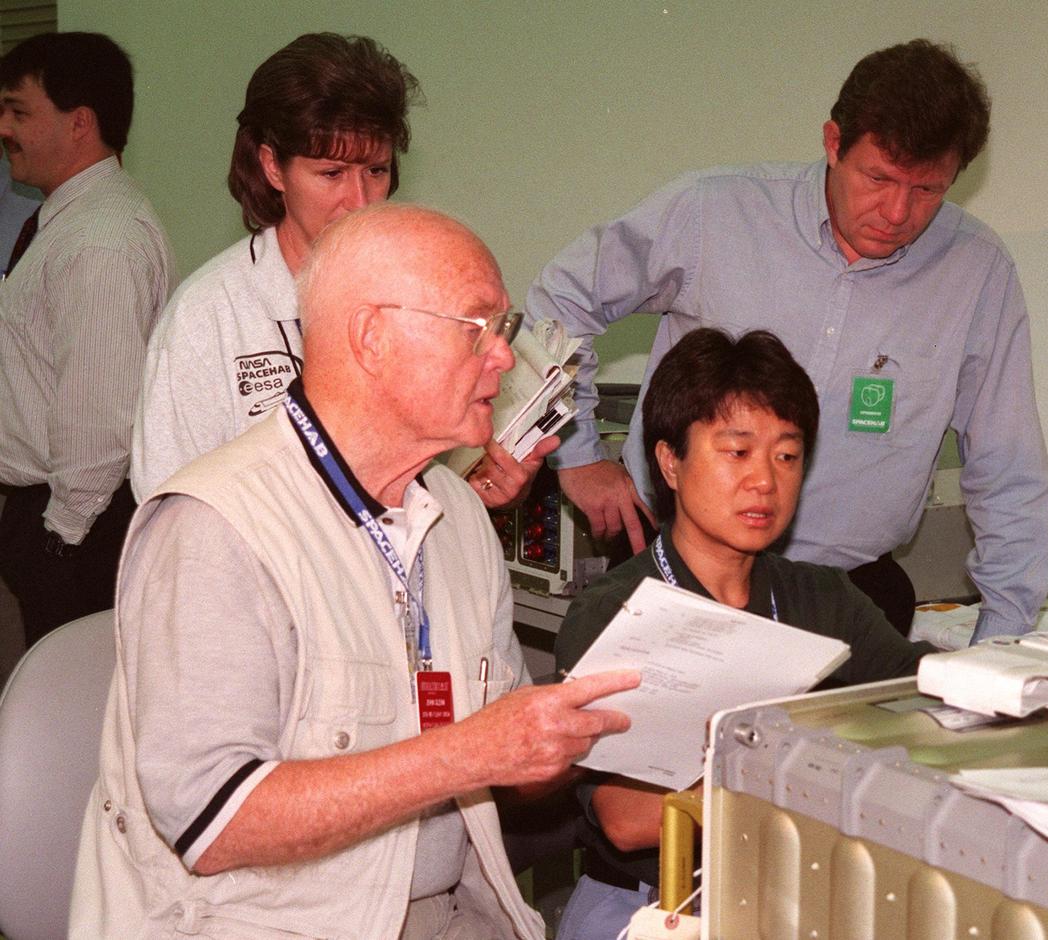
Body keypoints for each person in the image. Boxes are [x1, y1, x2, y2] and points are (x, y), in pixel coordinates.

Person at [70, 203, 641, 939]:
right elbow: (214, 822)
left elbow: (512, 769)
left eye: (504, 330)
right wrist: (470, 751)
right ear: (372, 337)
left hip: (450, 911)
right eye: (479, 328)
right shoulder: (216, 526)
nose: (504, 358)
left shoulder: (458, 517)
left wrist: (581, 729)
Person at [527, 38, 1048, 642]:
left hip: (850, 599)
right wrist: (576, 453)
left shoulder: (976, 271)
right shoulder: (715, 212)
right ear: (833, 144)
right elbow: (560, 300)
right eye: (878, 178)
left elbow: (1008, 469)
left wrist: (1002, 644)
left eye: (927, 190)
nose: (897, 211)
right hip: (679, 580)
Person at [553, 328, 932, 940]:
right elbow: (626, 817)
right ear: (670, 461)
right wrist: (814, 768)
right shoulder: (617, 609)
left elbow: (927, 699)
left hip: (788, 889)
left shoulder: (821, 595)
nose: (766, 481)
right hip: (652, 906)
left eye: (787, 455)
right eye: (737, 452)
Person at [131, 33, 550, 506]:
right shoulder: (208, 317)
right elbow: (169, 510)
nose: (360, 201)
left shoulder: (422, 300)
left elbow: (423, 480)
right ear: (272, 167)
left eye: (376, 170)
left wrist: (470, 498)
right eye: (331, 174)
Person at [0, 32, 174, 647]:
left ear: (80, 124)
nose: (4, 128)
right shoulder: (73, 224)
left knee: (55, 723)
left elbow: (102, 420)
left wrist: (56, 540)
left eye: (19, 111)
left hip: (76, 529)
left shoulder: (99, 239)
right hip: (59, 520)